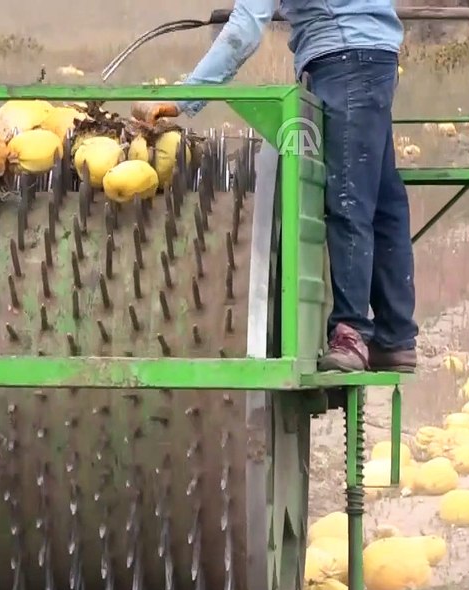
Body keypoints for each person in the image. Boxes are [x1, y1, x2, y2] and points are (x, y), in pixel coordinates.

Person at [132, 0, 417, 373]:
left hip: (344, 58)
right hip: (375, 55)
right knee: (381, 198)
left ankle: (352, 334)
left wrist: (183, 98)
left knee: (349, 196)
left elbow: (246, 26)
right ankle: (395, 339)